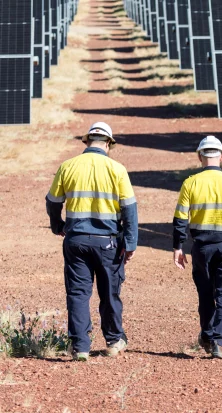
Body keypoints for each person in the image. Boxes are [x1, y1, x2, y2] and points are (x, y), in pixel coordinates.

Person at [45, 122, 138, 361]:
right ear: (108, 144)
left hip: (75, 240)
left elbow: (53, 201)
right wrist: (130, 242)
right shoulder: (117, 169)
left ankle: (80, 347)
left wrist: (58, 225)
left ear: (87, 142)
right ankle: (114, 341)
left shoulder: (68, 166)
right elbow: (129, 210)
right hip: (108, 243)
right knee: (109, 293)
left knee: (77, 293)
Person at [172, 136, 222, 359]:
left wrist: (178, 246)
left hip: (201, 248)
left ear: (200, 156)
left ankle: (207, 336)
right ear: (221, 156)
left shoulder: (190, 183)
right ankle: (218, 341)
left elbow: (180, 219)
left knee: (205, 294)